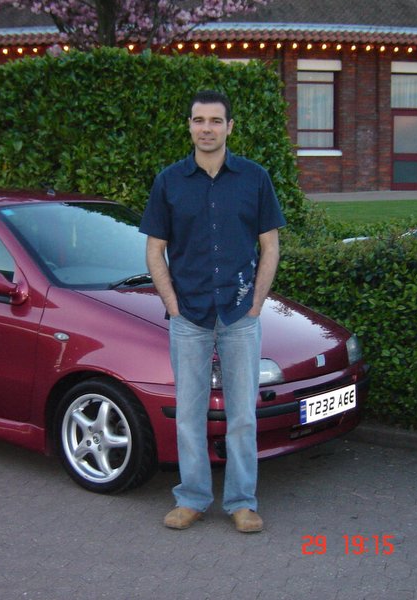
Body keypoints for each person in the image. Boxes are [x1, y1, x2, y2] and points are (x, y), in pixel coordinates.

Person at [140, 90, 286, 533]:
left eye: (216, 121)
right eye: (199, 120)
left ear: (230, 127)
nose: (207, 128)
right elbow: (155, 250)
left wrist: (256, 303)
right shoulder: (169, 182)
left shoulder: (255, 178)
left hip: (240, 314)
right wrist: (172, 305)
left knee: (242, 415)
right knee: (189, 414)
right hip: (189, 316)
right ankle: (192, 498)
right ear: (189, 125)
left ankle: (242, 502)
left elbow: (270, 246)